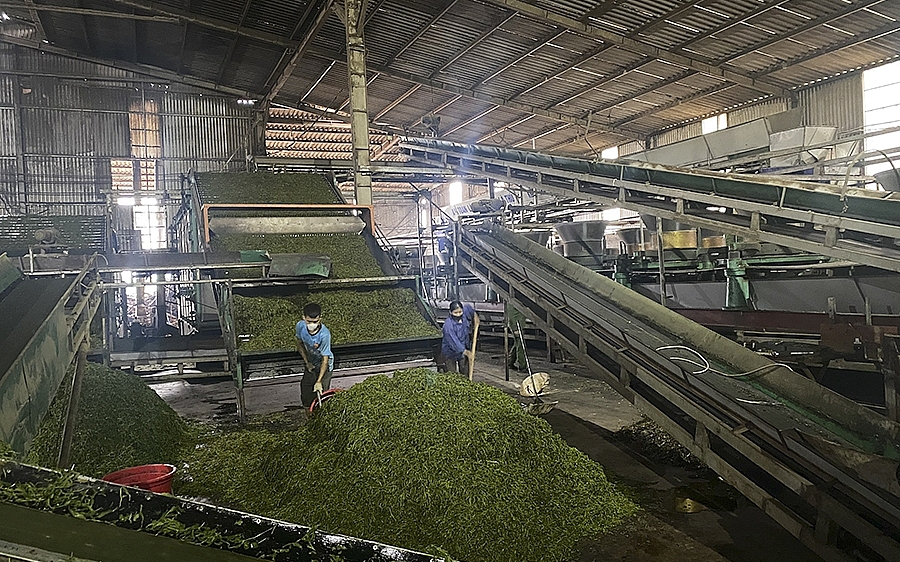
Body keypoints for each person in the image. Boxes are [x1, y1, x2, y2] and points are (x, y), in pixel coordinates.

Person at [295, 302, 333, 408]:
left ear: (320, 318)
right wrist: (307, 362)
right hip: (311, 362)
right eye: (309, 321)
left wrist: (319, 381)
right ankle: (308, 413)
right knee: (306, 392)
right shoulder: (300, 326)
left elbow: (325, 359)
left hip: (324, 365)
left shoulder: (324, 335)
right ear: (304, 318)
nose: (312, 324)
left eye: (315, 321)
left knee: (322, 395)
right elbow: (299, 343)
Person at [441, 300, 479, 374]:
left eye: (460, 312)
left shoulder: (464, 314)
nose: (458, 315)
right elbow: (454, 342)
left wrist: (475, 316)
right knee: (452, 374)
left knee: (465, 371)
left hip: (463, 347)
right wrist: (466, 352)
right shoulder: (448, 325)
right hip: (450, 351)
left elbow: (468, 308)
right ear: (450, 312)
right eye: (455, 313)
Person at [505, 301, 527, 372]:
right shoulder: (513, 302)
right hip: (517, 325)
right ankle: (522, 366)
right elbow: (511, 316)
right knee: (520, 345)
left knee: (517, 343)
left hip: (517, 324)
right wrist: (515, 328)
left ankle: (510, 361)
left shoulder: (513, 302)